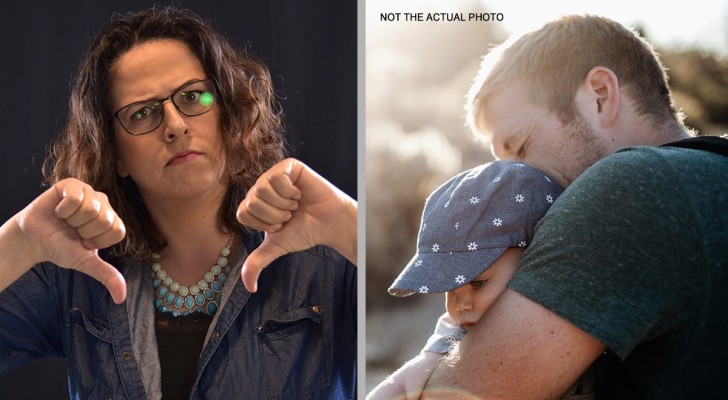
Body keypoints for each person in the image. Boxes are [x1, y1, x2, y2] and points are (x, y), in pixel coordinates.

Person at [0, 7, 357, 400]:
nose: (174, 125)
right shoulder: (76, 272)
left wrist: (346, 223)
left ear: (228, 114)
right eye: (141, 113)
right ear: (114, 153)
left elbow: (429, 329)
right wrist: (18, 241)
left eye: (192, 96)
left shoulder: (321, 258)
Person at [419, 14, 728, 399]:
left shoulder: (628, 186)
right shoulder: (710, 174)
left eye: (520, 146)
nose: (513, 179)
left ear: (600, 94)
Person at [367, 161, 574, 400]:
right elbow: (401, 384)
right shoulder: (455, 331)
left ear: (534, 258)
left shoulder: (566, 313)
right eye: (450, 289)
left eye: (478, 283)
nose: (460, 305)